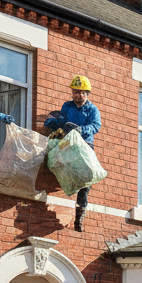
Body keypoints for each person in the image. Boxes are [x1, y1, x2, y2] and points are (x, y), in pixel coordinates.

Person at [44, 75, 102, 230]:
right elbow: (62, 121)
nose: (79, 95)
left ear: (87, 94)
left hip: (85, 144)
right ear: (72, 93)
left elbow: (96, 125)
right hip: (69, 142)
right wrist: (55, 122)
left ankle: (80, 213)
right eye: (76, 92)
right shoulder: (67, 106)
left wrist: (81, 130)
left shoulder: (92, 109)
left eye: (82, 93)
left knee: (86, 179)